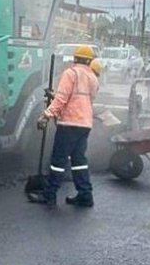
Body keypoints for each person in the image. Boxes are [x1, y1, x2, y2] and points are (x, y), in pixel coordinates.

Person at [29, 45, 99, 207]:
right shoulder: (93, 77)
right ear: (89, 61)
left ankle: (50, 195)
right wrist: (56, 98)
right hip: (84, 124)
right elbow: (84, 99)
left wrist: (46, 115)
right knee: (79, 160)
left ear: (75, 58)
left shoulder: (70, 73)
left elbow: (62, 99)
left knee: (58, 161)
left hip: (69, 124)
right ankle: (85, 195)